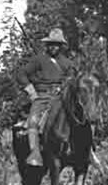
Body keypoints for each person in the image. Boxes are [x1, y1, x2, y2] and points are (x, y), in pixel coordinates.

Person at [16, 28, 74, 167]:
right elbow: (21, 74)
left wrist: (66, 86)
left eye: (57, 44)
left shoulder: (67, 63)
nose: (54, 47)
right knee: (33, 120)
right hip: (41, 96)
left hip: (61, 97)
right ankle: (35, 153)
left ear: (61, 46)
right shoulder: (38, 60)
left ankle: (86, 151)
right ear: (47, 45)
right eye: (51, 44)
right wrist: (31, 92)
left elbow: (72, 78)